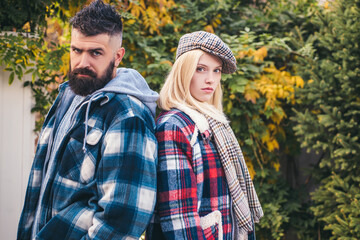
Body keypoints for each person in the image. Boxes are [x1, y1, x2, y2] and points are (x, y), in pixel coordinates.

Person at [17, 1, 158, 239]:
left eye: (95, 53)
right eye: (76, 50)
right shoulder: (68, 97)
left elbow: (122, 222)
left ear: (118, 56)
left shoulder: (127, 116)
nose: (83, 62)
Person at [146, 31, 263, 240]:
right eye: (201, 69)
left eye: (216, 71)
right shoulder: (174, 126)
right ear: (183, 72)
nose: (211, 79)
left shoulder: (213, 124)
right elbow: (179, 220)